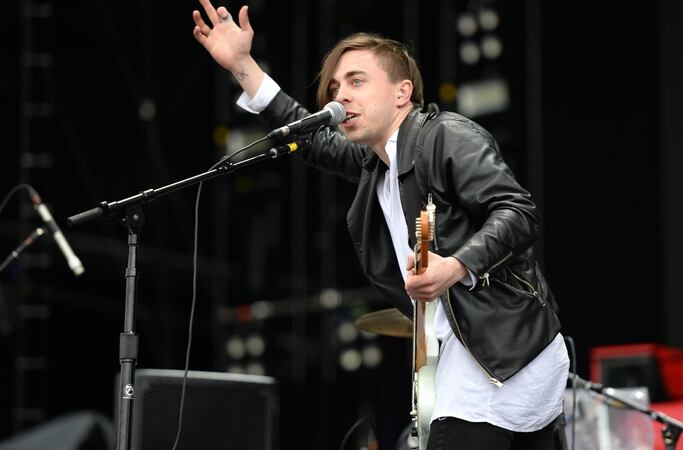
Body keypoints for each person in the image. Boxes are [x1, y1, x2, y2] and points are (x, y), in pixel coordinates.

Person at [192, 1, 570, 449]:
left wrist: (454, 267)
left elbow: (518, 211)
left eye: (356, 81)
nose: (341, 96)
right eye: (335, 87)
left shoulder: (444, 136)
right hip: (476, 354)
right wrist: (242, 64)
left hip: (505, 349)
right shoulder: (378, 164)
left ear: (402, 92)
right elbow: (307, 134)